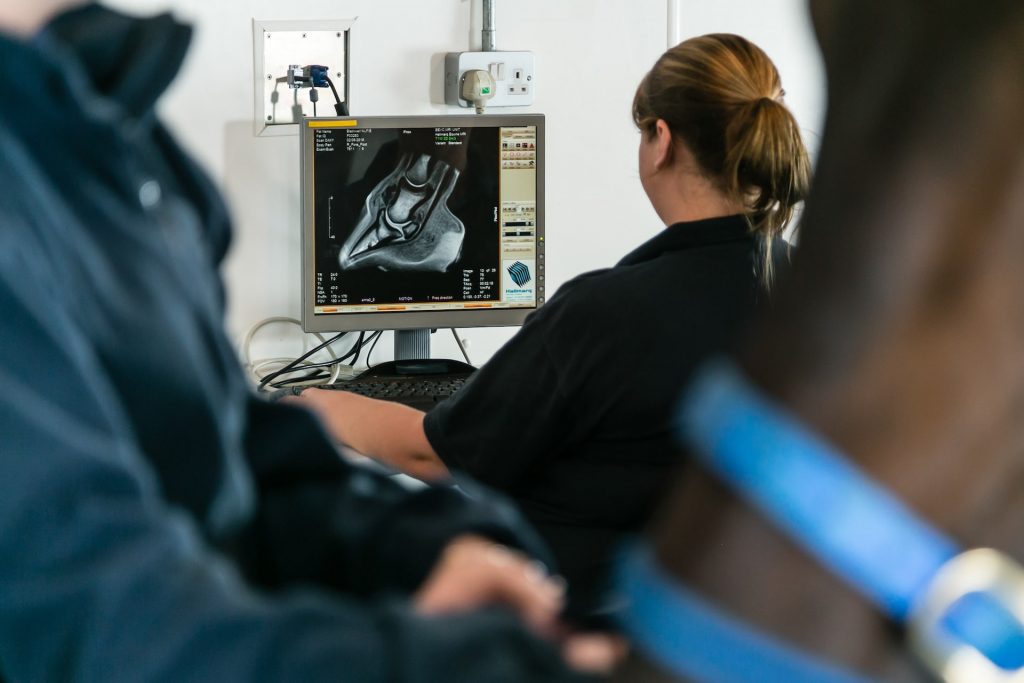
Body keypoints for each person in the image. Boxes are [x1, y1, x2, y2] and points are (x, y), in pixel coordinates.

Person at [0, 2, 614, 680]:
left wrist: (423, 548)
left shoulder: (114, 134)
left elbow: (241, 464)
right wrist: (473, 664)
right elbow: (93, 621)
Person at [294, 33, 812, 618]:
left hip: (565, 624)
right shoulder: (811, 295)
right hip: (724, 621)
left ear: (660, 141)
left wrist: (318, 403)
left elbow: (433, 457)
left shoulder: (608, 313)